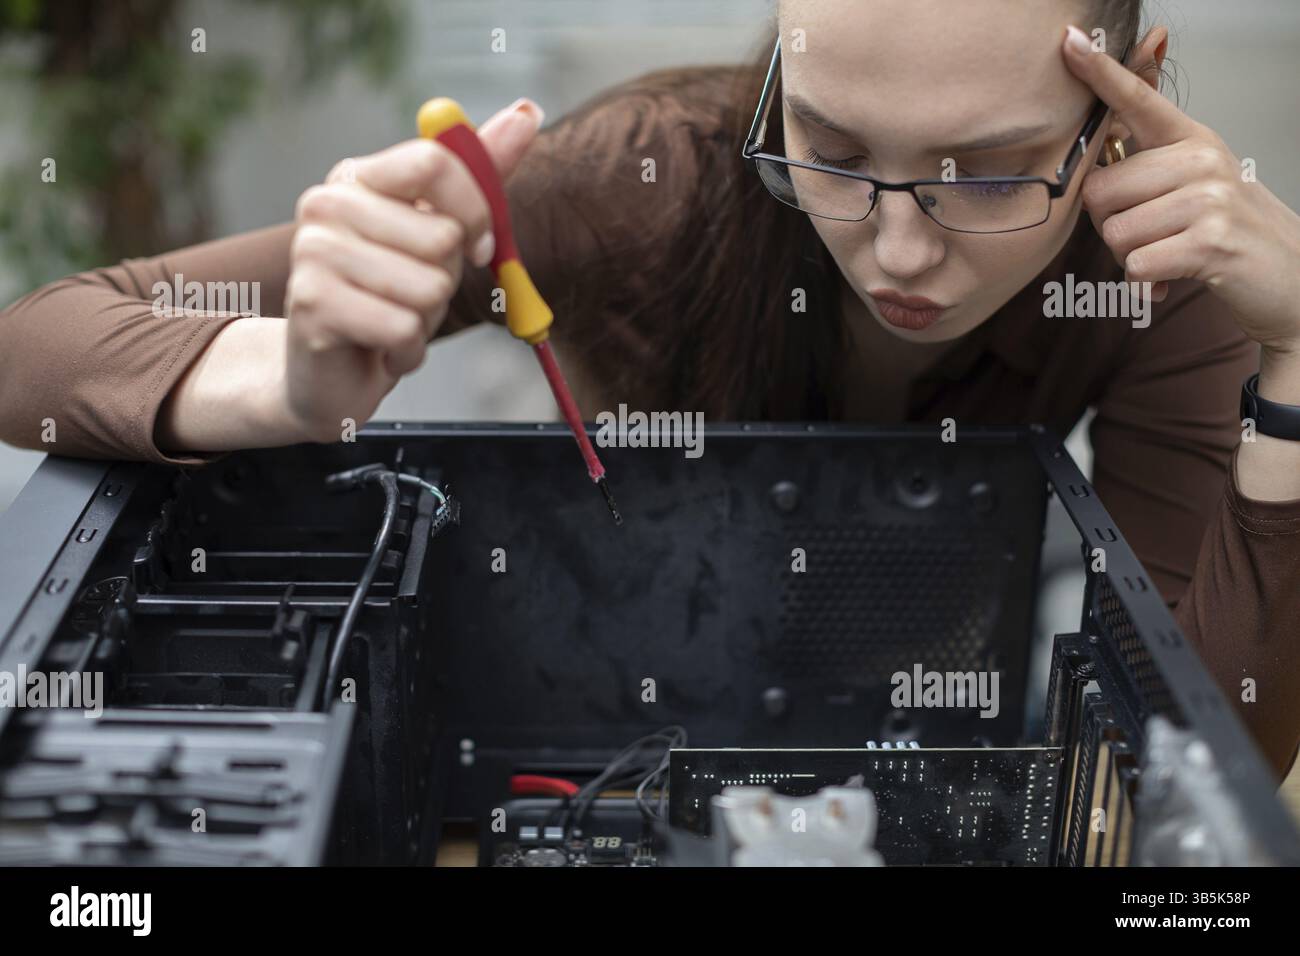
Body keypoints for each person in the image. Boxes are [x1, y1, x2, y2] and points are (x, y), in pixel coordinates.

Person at [2, 1, 1298, 776]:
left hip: (921, 725)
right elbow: (40, 344)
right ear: (783, 72)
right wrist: (290, 385)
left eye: (996, 173)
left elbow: (1203, 765)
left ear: (1118, 107)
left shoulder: (1155, 272)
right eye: (833, 150)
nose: (901, 250)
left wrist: (1296, 371)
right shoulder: (650, 182)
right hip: (602, 691)